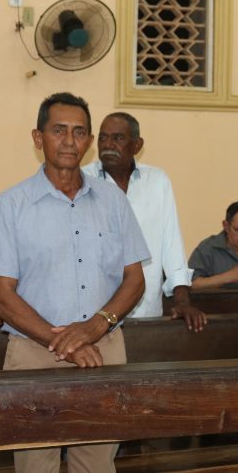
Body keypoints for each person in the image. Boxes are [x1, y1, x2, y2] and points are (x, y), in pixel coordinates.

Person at [0, 92, 149, 473]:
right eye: (58, 130)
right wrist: (66, 343)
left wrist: (94, 327)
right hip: (33, 352)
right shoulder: (10, 205)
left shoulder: (113, 201)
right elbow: (2, 295)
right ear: (38, 137)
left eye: (79, 132)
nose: (69, 141)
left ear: (89, 141)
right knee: (35, 465)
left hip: (103, 350)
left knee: (96, 465)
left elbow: (135, 280)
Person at [82, 112, 206, 331]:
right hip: (94, 316)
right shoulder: (83, 181)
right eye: (103, 138)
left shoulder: (157, 181)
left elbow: (171, 245)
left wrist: (183, 302)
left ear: (137, 145)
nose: (108, 145)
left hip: (146, 312)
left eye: (118, 138)